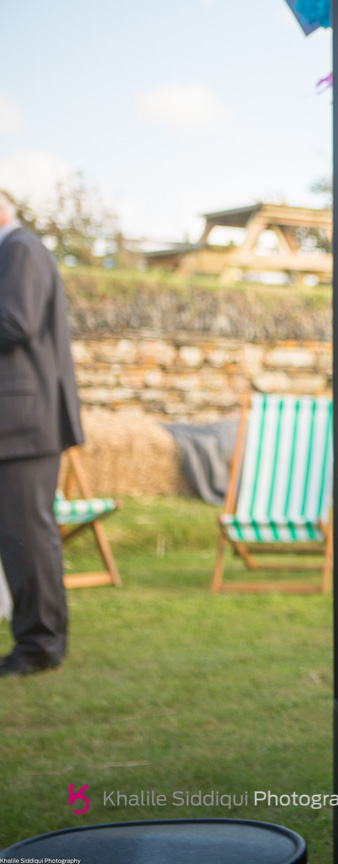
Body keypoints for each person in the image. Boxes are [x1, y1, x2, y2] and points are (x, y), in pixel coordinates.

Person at [0, 190, 84, 678]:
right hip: (19, 425)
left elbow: (15, 323)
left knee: (27, 538)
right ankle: (37, 640)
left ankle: (39, 647)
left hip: (22, 426)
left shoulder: (20, 249)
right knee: (23, 537)